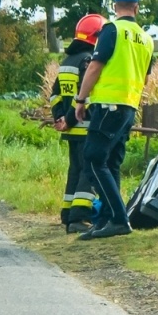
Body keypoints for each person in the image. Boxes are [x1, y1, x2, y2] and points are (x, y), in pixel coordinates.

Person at [73, 0, 155, 240]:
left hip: (108, 105)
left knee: (94, 159)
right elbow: (145, 77)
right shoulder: (146, 38)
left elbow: (96, 66)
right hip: (129, 107)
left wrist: (80, 99)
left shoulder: (112, 30)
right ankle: (108, 219)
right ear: (136, 7)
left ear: (114, 5)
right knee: (111, 163)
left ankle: (119, 219)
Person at [48, 13, 106, 233]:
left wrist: (59, 118)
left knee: (75, 170)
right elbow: (85, 94)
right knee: (88, 172)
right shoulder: (88, 61)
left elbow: (54, 95)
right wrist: (70, 119)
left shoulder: (67, 62)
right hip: (85, 127)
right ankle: (79, 218)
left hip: (71, 130)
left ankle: (67, 213)